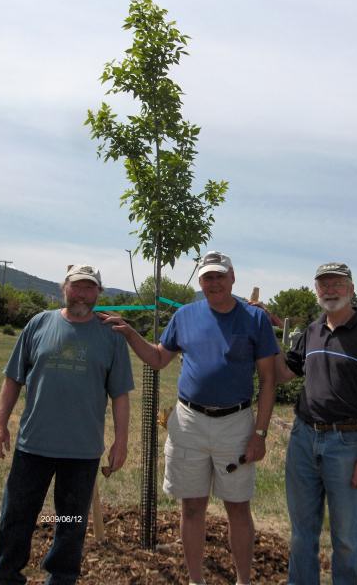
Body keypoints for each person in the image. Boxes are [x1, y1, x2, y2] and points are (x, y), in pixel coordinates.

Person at [101, 251, 278, 585]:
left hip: (236, 425)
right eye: (207, 277)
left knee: (238, 508)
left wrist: (260, 433)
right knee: (192, 509)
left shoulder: (254, 320)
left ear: (232, 277)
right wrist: (129, 334)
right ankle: (196, 581)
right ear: (200, 280)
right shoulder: (184, 315)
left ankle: (243, 580)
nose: (213, 283)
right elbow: (157, 358)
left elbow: (268, 381)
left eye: (219, 276)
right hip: (189, 423)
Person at [0, 264, 134, 585]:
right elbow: (13, 378)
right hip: (33, 445)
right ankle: (7, 576)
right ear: (64, 288)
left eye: (89, 287)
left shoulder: (110, 336)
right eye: (77, 286)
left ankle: (61, 578)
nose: (82, 294)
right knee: (17, 517)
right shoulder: (39, 324)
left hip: (81, 452)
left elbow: (121, 395)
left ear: (98, 292)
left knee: (70, 522)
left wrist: (121, 440)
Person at [274, 262, 357, 585]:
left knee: (344, 539)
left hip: (349, 443)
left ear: (351, 289)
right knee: (301, 535)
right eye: (324, 284)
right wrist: (263, 332)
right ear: (316, 291)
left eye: (337, 284)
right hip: (303, 439)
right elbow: (285, 373)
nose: (330, 290)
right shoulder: (311, 332)